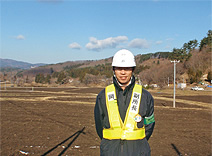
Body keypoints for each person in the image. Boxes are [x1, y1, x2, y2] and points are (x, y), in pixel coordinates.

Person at [94, 49, 155, 156]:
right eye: (119, 68)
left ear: (132, 69)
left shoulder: (145, 96)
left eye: (127, 68)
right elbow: (99, 124)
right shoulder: (103, 96)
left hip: (138, 151)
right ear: (113, 70)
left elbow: (149, 124)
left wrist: (137, 143)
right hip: (110, 151)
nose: (123, 72)